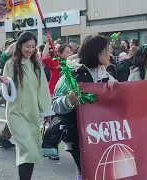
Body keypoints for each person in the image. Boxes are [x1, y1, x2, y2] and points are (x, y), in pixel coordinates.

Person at [51, 35, 116, 180]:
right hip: (77, 135)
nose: (109, 53)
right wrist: (69, 100)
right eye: (105, 50)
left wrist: (114, 88)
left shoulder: (106, 74)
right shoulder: (72, 74)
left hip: (101, 134)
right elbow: (55, 103)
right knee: (88, 172)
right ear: (96, 52)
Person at [0, 31, 54, 180]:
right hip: (16, 113)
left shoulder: (36, 66)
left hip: (33, 114)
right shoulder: (11, 64)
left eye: (33, 47)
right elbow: (6, 91)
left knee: (33, 151)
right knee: (26, 149)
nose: (30, 49)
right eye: (27, 46)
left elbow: (42, 89)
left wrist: (47, 111)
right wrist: (7, 83)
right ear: (20, 46)